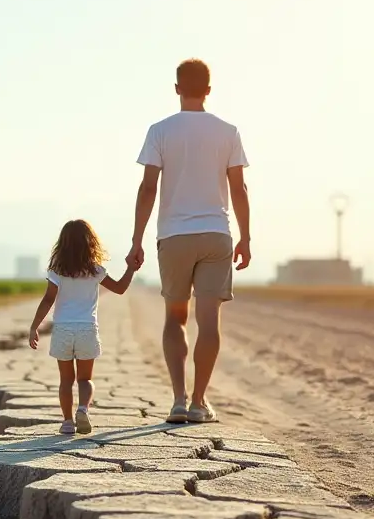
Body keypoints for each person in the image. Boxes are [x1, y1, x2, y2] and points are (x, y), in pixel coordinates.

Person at [126, 59, 250, 425]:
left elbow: (148, 188)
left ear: (177, 88)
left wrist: (136, 239)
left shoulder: (160, 131)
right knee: (208, 322)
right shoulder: (228, 132)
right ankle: (199, 402)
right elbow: (239, 188)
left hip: (174, 236)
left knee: (175, 317)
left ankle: (178, 400)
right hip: (216, 234)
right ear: (209, 90)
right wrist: (245, 237)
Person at [29, 219, 138, 434]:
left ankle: (67, 422)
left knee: (65, 381)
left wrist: (34, 327)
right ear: (90, 242)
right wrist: (131, 269)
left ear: (62, 243)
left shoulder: (57, 270)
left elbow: (48, 300)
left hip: (63, 329)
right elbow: (120, 288)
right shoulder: (95, 270)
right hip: (87, 328)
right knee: (85, 379)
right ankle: (83, 409)